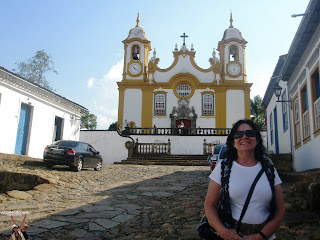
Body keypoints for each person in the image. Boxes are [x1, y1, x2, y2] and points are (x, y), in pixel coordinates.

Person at [204, 119, 285, 240]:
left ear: (257, 140)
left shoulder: (268, 168)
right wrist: (223, 232)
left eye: (250, 133)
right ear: (233, 142)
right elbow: (210, 204)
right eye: (238, 134)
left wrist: (262, 235)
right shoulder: (223, 167)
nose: (244, 137)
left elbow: (280, 208)